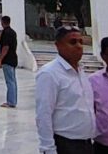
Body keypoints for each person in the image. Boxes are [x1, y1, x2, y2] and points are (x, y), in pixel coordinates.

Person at [36, 26, 96, 154]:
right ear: (58, 45)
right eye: (73, 42)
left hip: (87, 144)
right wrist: (48, 149)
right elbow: (43, 114)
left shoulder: (81, 72)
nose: (79, 46)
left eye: (81, 42)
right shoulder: (49, 73)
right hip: (66, 145)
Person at [0, 14, 19, 108]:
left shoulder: (6, 33)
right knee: (13, 81)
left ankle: (10, 101)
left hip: (8, 59)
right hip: (14, 58)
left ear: (2, 22)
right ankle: (13, 100)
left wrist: (0, 59)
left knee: (9, 81)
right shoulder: (13, 32)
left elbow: (5, 47)